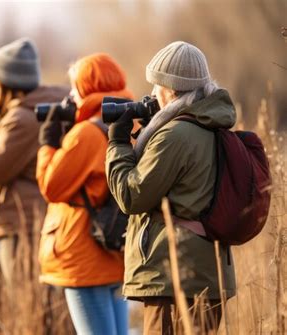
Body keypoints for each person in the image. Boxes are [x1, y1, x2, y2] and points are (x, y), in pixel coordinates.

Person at [105, 41, 237, 334]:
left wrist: (117, 145)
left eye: (156, 86)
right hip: (208, 274)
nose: (151, 94)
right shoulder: (210, 123)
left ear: (172, 90)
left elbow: (131, 196)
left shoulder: (175, 135)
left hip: (175, 276)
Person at [37, 53, 134, 335]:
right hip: (114, 249)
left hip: (83, 253)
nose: (70, 95)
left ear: (89, 89)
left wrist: (48, 143)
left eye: (75, 88)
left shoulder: (86, 134)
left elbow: (51, 186)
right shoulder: (128, 123)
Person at [0, 38, 67, 284]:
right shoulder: (36, 110)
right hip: (26, 224)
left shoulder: (22, 119)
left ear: (9, 82)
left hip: (23, 229)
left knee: (27, 303)